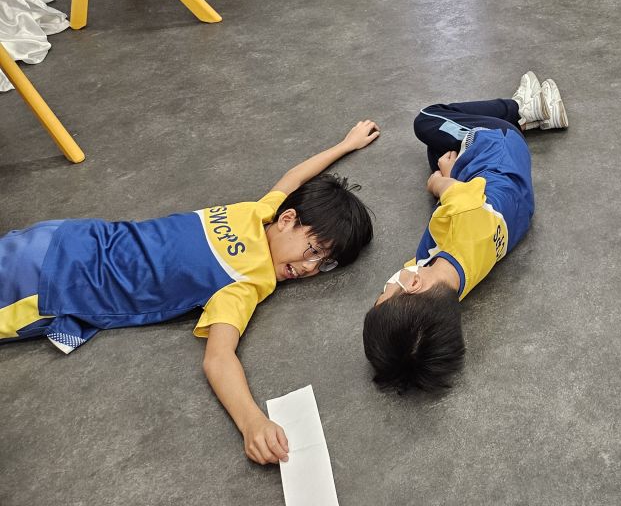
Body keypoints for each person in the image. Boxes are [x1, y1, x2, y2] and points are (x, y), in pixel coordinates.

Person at [0, 121, 379, 464]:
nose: (311, 267)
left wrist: (345, 144)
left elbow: (293, 179)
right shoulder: (247, 280)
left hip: (66, 235)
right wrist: (252, 422)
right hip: (53, 283)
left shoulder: (255, 212)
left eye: (325, 263)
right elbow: (218, 358)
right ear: (288, 219)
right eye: (313, 250)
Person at [363, 72, 566, 392]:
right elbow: (457, 197)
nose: (385, 287)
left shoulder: (448, 288)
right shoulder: (463, 215)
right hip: (499, 147)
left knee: (436, 151)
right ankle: (520, 109)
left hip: (514, 205)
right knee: (427, 120)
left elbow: (418, 265)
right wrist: (442, 180)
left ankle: (531, 118)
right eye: (382, 295)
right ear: (413, 284)